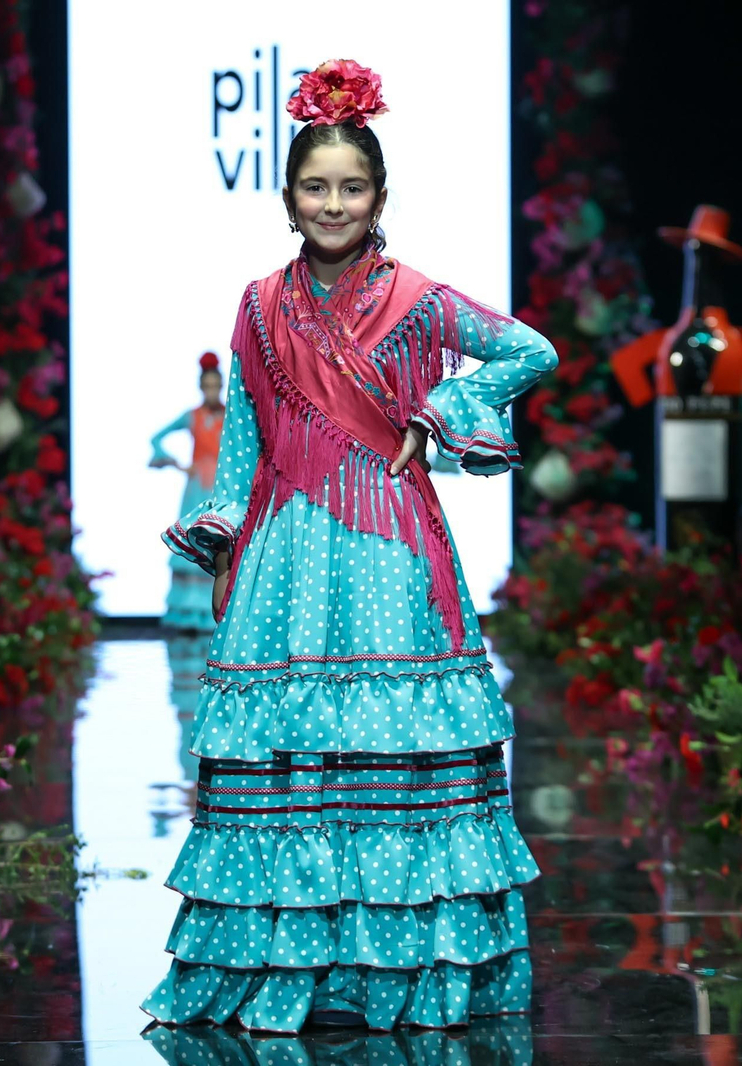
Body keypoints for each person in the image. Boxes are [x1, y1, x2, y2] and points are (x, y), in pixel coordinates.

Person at [141, 61, 554, 1033]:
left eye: (351, 187)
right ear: (288, 197)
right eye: (315, 186)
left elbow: (525, 349)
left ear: (378, 196)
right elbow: (241, 439)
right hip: (286, 560)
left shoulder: (415, 298)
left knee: (392, 751)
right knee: (294, 762)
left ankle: (401, 973)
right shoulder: (255, 306)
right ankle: (289, 971)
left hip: (392, 553)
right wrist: (223, 533)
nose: (332, 202)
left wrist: (440, 408)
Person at [149, 352, 228, 631]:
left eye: (215, 385)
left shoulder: (230, 415)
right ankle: (189, 613)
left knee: (217, 548)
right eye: (206, 386)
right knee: (194, 544)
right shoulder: (192, 417)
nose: (211, 391)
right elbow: (156, 437)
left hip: (220, 492)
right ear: (200, 386)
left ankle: (215, 612)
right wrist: (177, 464)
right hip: (196, 493)